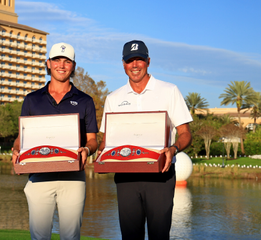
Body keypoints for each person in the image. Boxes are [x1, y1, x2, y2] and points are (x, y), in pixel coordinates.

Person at [98, 40, 193, 240]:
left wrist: (173, 149)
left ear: (148, 61)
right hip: (126, 176)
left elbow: (185, 133)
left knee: (159, 235)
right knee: (130, 236)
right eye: (130, 60)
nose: (135, 65)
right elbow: (106, 141)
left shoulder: (169, 90)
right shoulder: (113, 98)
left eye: (139, 60)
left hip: (160, 175)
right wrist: (100, 152)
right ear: (123, 64)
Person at [12, 42, 98, 240]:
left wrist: (86, 149)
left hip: (73, 178)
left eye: (67, 61)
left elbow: (93, 139)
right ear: (48, 63)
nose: (62, 65)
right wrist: (16, 149)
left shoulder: (85, 100)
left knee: (71, 237)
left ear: (73, 66)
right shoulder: (32, 99)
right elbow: (21, 138)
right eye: (57, 60)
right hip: (39, 177)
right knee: (40, 237)